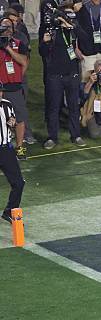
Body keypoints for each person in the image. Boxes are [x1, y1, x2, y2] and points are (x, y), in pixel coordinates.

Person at [39, 4, 85, 149]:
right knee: (54, 108)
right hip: (55, 76)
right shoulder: (51, 30)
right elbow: (43, 52)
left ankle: (76, 135)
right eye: (67, 16)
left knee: (73, 106)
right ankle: (52, 137)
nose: (70, 18)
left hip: (72, 74)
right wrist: (45, 42)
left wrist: (70, 26)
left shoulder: (73, 29)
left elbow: (85, 37)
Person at [0, 17, 29, 159]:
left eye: (8, 27)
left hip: (14, 88)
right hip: (0, 89)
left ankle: (19, 147)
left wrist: (8, 48)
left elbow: (24, 62)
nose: (6, 30)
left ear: (13, 29)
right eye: (3, 27)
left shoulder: (19, 44)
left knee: (19, 118)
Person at [75, 0, 101, 82]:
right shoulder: (80, 8)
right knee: (87, 80)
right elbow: (75, 29)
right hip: (87, 51)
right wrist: (76, 48)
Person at [0, 83, 24, 224]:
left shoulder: (7, 105)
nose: (0, 94)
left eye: (1, 92)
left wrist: (12, 123)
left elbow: (13, 122)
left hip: (5, 149)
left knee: (19, 183)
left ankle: (10, 211)